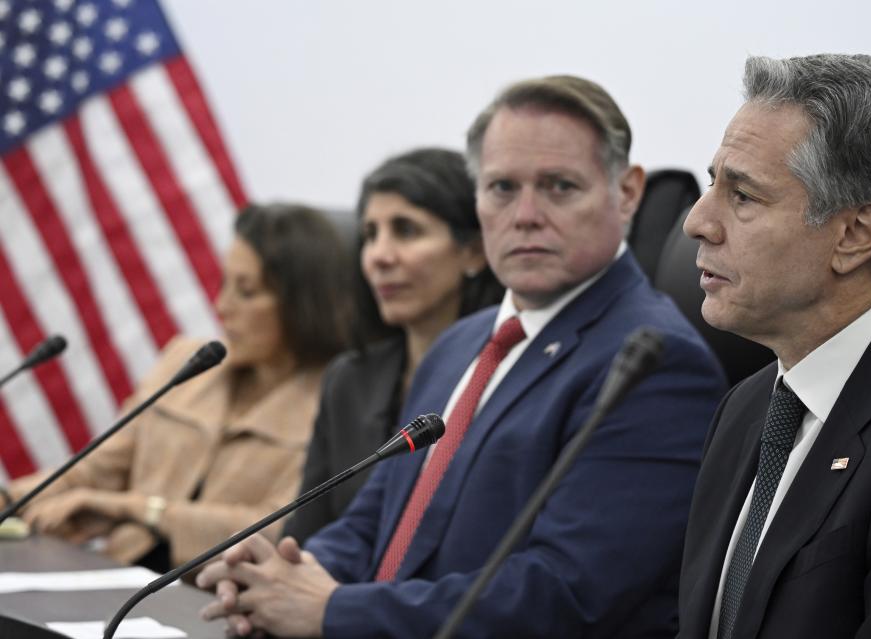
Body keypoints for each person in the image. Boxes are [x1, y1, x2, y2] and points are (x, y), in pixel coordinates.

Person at [197, 75, 726, 638]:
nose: (525, 214)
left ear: (626, 193)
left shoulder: (653, 363)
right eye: (502, 188)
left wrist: (330, 610)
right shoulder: (459, 344)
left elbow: (562, 594)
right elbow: (376, 520)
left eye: (559, 187)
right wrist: (286, 575)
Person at [676, 54, 871, 639]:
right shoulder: (744, 409)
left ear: (856, 235)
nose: (697, 222)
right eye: (712, 183)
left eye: (744, 196)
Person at [5, 204, 352, 572]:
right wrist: (8, 498)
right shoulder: (190, 362)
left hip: (219, 600)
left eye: (246, 292)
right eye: (224, 285)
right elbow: (93, 470)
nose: (222, 306)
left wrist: (137, 509)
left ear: (302, 304)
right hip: (117, 577)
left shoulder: (338, 401)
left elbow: (281, 528)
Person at [283, 148, 503, 542]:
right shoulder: (349, 379)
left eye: (406, 230)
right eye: (370, 235)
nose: (379, 256)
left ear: (473, 251)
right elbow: (305, 532)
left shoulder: (508, 377)